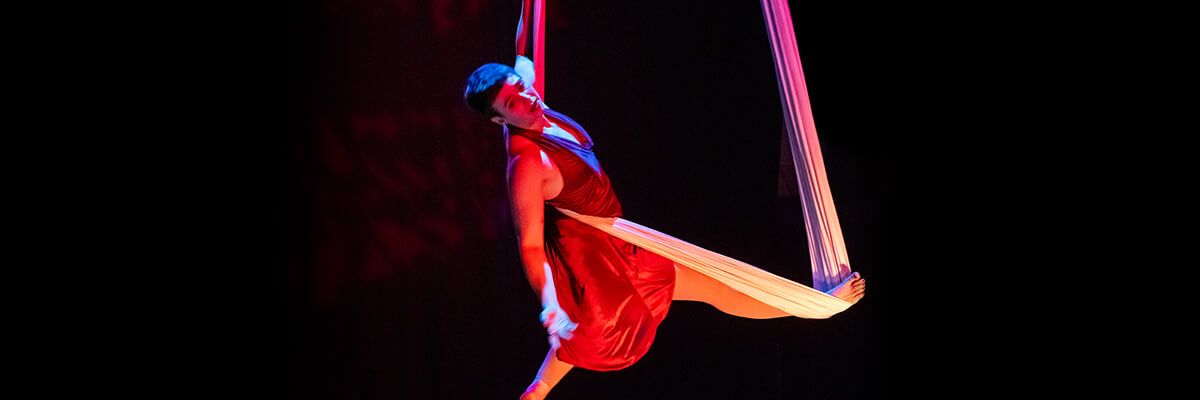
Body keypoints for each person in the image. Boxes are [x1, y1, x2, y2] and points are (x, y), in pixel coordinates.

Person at [462, 7, 865, 400]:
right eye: (513, 103)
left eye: (521, 87)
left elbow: (526, 50)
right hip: (596, 253)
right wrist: (549, 304)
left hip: (614, 238)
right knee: (689, 293)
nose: (528, 99)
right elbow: (530, 246)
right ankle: (817, 305)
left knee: (679, 301)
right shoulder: (528, 164)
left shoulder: (530, 94)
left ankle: (539, 389)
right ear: (500, 120)